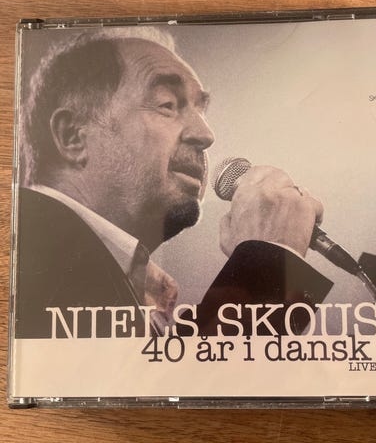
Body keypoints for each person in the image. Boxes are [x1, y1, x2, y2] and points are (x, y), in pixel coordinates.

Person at [15, 27, 333, 339]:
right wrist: (267, 262)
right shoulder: (22, 257)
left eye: (200, 110)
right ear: (72, 136)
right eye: (167, 104)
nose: (206, 135)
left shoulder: (123, 284)